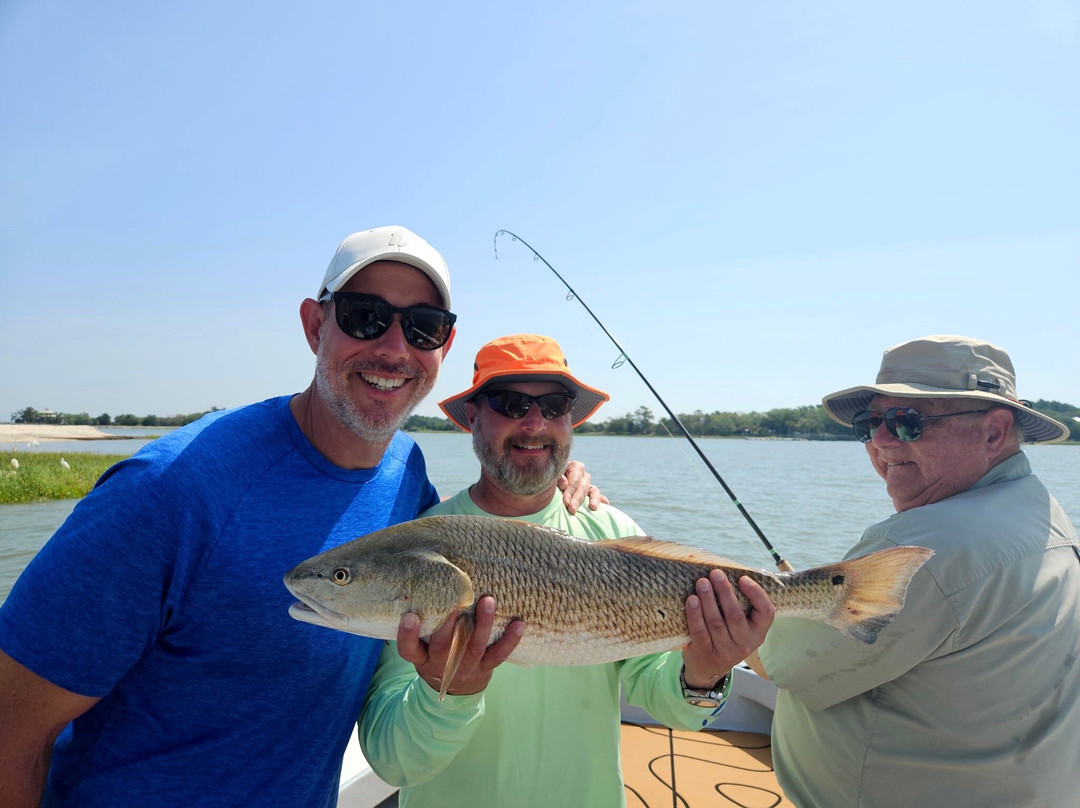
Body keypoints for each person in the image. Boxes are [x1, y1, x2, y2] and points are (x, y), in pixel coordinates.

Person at [0, 227, 598, 808]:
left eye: (423, 328)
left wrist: (557, 482)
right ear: (315, 325)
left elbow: (473, 547)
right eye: (365, 316)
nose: (394, 348)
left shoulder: (406, 473)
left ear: (443, 347)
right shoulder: (170, 489)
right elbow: (11, 729)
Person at [358, 333, 776, 807]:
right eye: (510, 403)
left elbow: (667, 702)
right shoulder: (422, 549)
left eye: (554, 405)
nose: (534, 423)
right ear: (472, 416)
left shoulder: (610, 527)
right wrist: (446, 691)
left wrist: (703, 675)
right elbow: (393, 762)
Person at [755, 334, 1080, 808]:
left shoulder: (922, 550)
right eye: (870, 423)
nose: (880, 440)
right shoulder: (1038, 509)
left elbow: (772, 656)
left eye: (908, 422)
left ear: (993, 432)